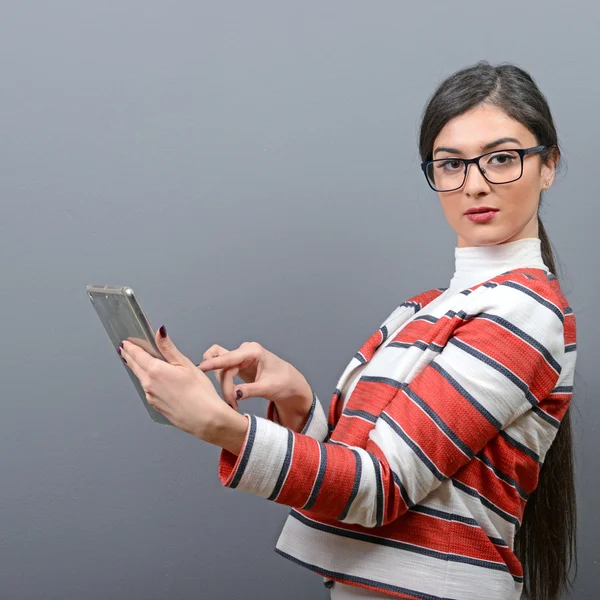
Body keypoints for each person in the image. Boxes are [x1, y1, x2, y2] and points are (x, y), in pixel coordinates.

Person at [118, 61, 577, 600]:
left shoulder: (522, 313)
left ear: (548, 166)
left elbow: (376, 489)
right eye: (451, 164)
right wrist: (297, 401)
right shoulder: (423, 310)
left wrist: (223, 428)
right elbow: (346, 475)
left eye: (501, 158)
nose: (474, 184)